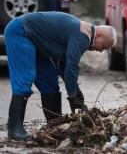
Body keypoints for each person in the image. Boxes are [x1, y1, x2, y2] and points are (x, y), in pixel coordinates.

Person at [4, 11, 117, 141]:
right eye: (103, 46)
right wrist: (72, 96)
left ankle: (54, 125)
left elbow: (63, 65)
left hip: (36, 41)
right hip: (21, 32)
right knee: (25, 78)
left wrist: (75, 89)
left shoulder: (82, 33)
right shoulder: (83, 36)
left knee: (50, 82)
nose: (101, 50)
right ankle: (14, 129)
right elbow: (71, 67)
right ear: (100, 35)